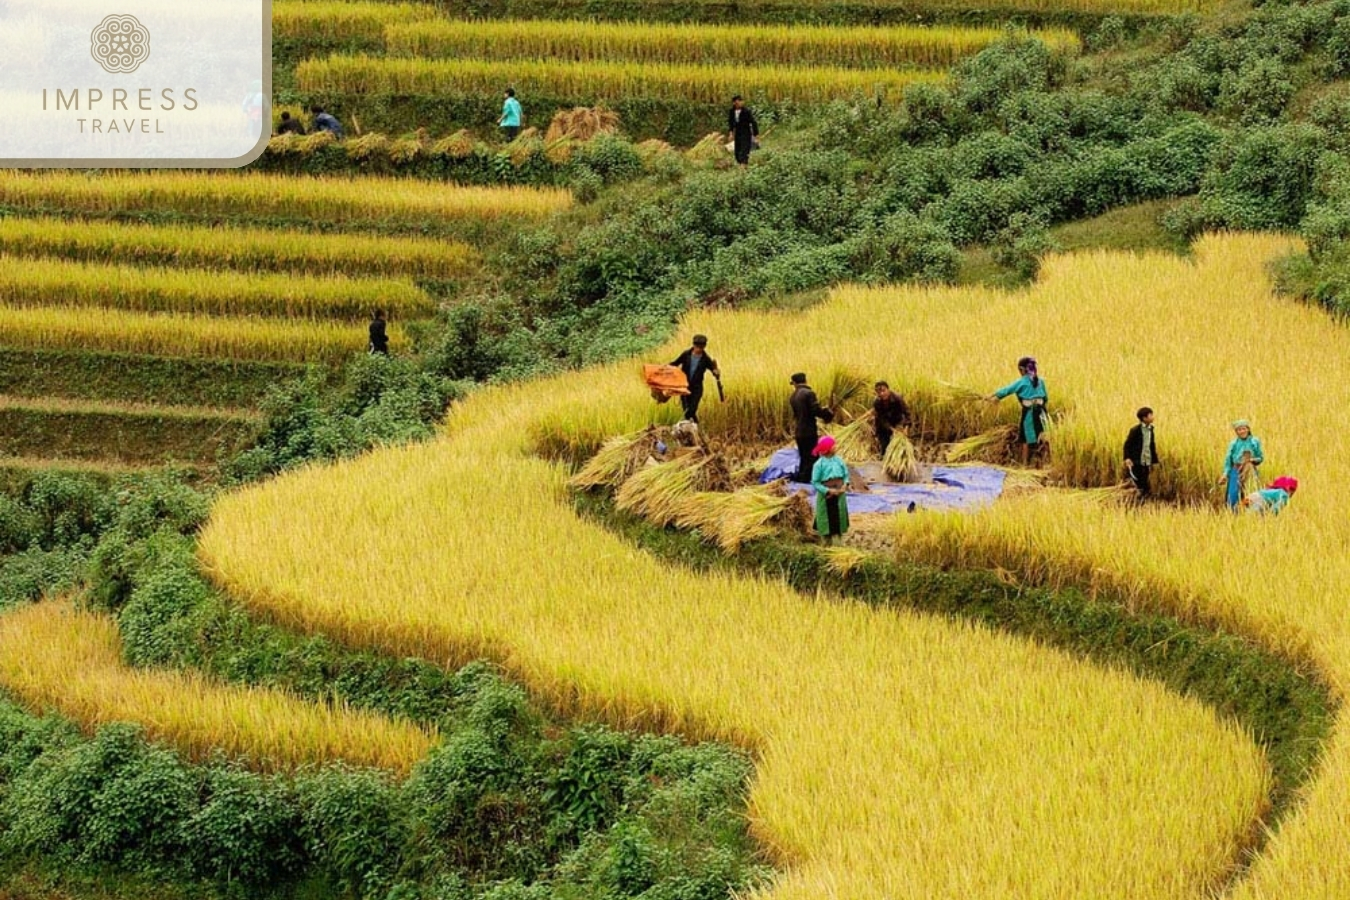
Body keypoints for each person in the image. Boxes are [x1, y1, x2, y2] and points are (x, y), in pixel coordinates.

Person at [988, 356, 1048, 466]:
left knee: (1025, 438)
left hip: (1029, 413)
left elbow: (1006, 390)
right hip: (1042, 412)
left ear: (1022, 370)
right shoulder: (1041, 381)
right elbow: (1046, 398)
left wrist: (992, 397)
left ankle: (1025, 465)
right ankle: (1043, 463)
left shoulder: (1021, 382)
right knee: (1043, 436)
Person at [790, 372, 833, 484]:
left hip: (799, 431)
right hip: (809, 431)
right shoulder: (809, 393)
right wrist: (827, 413)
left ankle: (802, 479)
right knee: (812, 457)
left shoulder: (793, 396)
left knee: (804, 458)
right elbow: (815, 411)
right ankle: (811, 480)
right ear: (805, 380)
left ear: (794, 383)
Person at [669, 334, 720, 422]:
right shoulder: (686, 354)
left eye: (701, 348)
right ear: (693, 345)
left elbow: (713, 370)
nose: (698, 350)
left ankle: (693, 425)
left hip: (697, 388)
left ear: (704, 347)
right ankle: (695, 425)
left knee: (692, 409)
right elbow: (675, 363)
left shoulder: (705, 359)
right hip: (684, 386)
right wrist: (665, 368)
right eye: (697, 347)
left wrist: (716, 372)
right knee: (686, 411)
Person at [810, 435, 850, 545]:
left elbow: (846, 475)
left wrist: (845, 485)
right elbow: (815, 482)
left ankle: (838, 542)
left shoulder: (839, 461)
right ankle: (826, 543)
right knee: (826, 518)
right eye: (833, 445)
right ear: (827, 448)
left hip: (839, 494)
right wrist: (827, 490)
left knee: (838, 516)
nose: (835, 447)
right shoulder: (819, 465)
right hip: (826, 495)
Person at [1220, 419, 1264, 510]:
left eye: (1243, 429)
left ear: (1248, 429)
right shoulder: (1233, 443)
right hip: (1236, 469)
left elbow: (1260, 458)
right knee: (1233, 494)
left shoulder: (1254, 441)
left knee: (1251, 492)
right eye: (1239, 430)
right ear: (1236, 432)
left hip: (1250, 469)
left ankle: (1251, 513)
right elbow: (1228, 460)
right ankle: (1233, 513)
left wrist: (1252, 460)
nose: (1242, 431)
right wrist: (1225, 474)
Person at [1123, 407, 1159, 500]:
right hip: (1136, 461)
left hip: (1146, 461)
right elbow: (1127, 444)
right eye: (1150, 415)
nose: (1153, 417)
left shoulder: (1150, 430)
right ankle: (1136, 500)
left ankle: (1143, 499)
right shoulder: (1135, 430)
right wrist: (1127, 458)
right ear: (1144, 418)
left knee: (1145, 480)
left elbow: (1151, 445)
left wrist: (1154, 461)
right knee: (1138, 482)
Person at [872, 381, 911, 456]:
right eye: (879, 392)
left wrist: (906, 427)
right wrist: (892, 429)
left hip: (896, 421)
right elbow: (881, 419)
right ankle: (884, 459)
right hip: (884, 426)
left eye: (883, 391)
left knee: (899, 445)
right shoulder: (877, 403)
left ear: (888, 389)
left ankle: (898, 461)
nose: (882, 394)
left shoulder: (897, 399)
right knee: (884, 445)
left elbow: (907, 413)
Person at [726, 95, 759, 166]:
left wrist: (755, 136)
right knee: (737, 151)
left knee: (745, 149)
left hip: (746, 132)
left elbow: (753, 122)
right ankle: (740, 163)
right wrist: (731, 133)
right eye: (738, 102)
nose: (741, 103)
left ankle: (744, 165)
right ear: (734, 103)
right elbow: (731, 123)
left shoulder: (746, 111)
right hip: (737, 132)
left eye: (741, 101)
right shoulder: (732, 111)